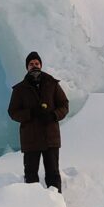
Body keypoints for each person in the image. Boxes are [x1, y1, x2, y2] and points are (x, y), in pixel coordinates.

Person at [8, 51, 69, 192]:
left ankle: (55, 203)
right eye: (31, 64)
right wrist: (30, 113)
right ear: (27, 67)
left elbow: (64, 105)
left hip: (50, 138)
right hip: (31, 139)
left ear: (41, 65)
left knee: (53, 173)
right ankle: (33, 205)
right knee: (30, 175)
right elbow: (13, 112)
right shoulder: (19, 89)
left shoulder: (52, 84)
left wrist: (53, 115)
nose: (34, 66)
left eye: (36, 63)